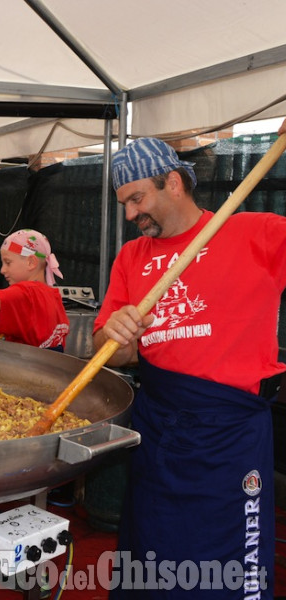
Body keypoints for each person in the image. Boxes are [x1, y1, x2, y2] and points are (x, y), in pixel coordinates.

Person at [92, 126, 286, 598]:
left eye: (137, 198)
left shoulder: (255, 234)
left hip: (230, 435)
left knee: (227, 567)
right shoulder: (131, 258)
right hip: (158, 428)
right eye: (124, 204)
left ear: (173, 183)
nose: (131, 213)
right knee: (151, 556)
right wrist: (114, 334)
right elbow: (110, 349)